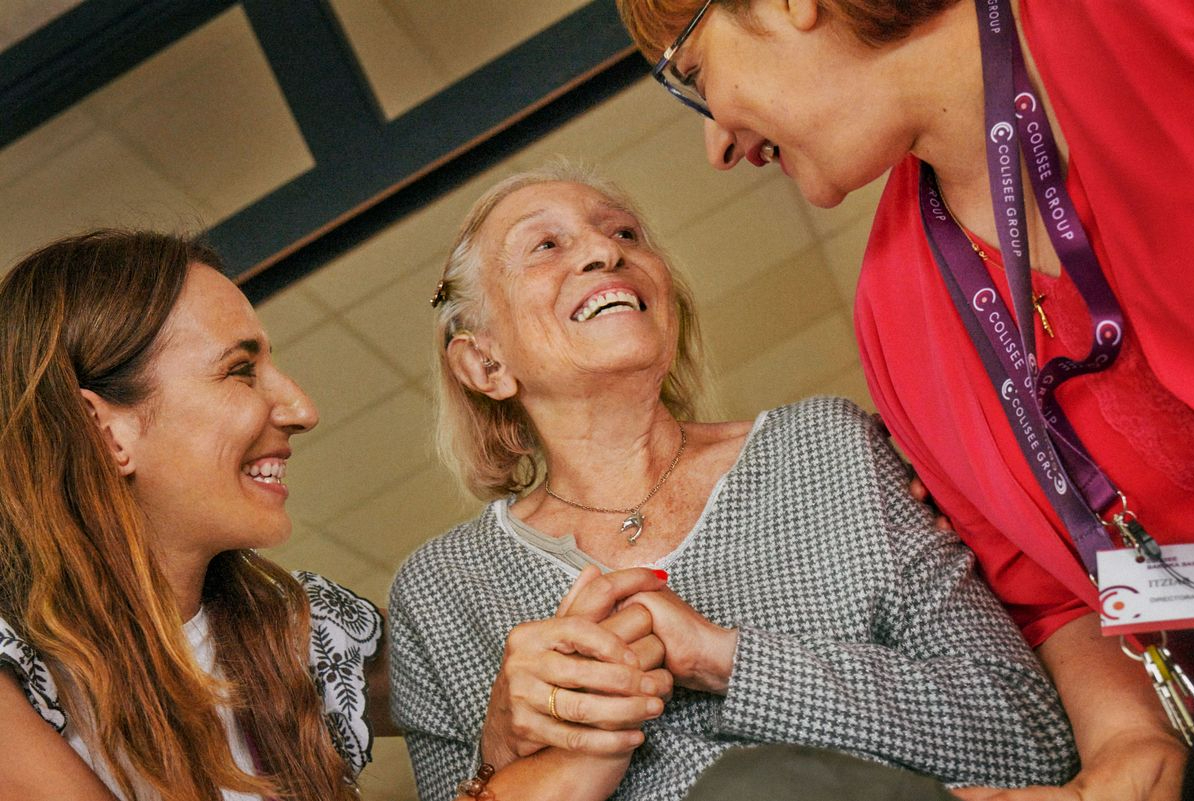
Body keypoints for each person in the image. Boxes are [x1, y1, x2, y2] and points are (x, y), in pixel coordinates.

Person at [613, 1, 1194, 799]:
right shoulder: (896, 310)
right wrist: (1128, 741)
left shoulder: (1138, 22)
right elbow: (1053, 591)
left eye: (693, 72)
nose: (716, 139)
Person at [388, 162, 1078, 801]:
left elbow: (1032, 737)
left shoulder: (829, 448)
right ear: (484, 364)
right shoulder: (443, 589)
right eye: (545, 246)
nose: (604, 252)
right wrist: (509, 750)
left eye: (624, 231)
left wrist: (727, 660)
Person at [0, 230, 393, 801]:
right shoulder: (17, 674)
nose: (302, 410)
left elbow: (488, 671)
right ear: (103, 432)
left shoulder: (303, 635)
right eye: (239, 370)